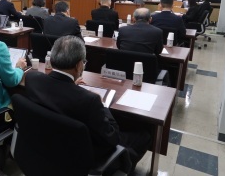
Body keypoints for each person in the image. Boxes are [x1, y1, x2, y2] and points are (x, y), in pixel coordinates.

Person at [24, 35, 151, 172]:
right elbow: (112, 137)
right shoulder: (90, 100)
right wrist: (102, 104)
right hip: (83, 158)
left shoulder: (32, 79)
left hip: (47, 147)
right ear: (79, 65)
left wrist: (71, 84)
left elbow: (56, 91)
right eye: (84, 63)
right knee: (144, 136)